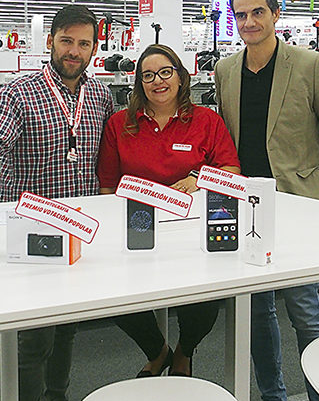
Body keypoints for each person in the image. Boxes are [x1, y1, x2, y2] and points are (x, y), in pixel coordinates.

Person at [0, 5, 112, 401]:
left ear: (95, 48)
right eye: (67, 41)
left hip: (77, 229)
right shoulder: (19, 92)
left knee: (66, 327)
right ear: (50, 42)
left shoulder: (100, 95)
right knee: (33, 336)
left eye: (83, 44)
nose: (74, 52)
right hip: (31, 230)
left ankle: (57, 399)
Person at [213, 0, 319, 401]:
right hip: (249, 209)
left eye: (257, 12)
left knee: (306, 313)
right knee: (257, 314)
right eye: (241, 15)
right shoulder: (226, 70)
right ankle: (274, 397)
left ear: (275, 15)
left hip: (301, 205)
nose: (249, 22)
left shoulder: (308, 64)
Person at [98, 43, 241, 378]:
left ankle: (184, 351)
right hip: (136, 229)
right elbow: (107, 183)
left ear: (180, 77)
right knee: (119, 298)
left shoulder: (207, 120)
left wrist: (197, 177)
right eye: (148, 75)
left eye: (165, 72)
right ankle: (157, 351)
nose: (157, 81)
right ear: (139, 83)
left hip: (192, 230)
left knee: (204, 301)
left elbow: (231, 169)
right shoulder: (120, 124)